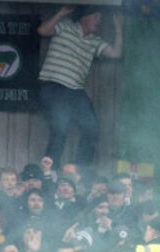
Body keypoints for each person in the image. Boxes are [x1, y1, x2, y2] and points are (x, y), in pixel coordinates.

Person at [37, 5, 123, 165]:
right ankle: (50, 171)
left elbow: (116, 54)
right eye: (96, 17)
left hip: (75, 91)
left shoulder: (95, 41)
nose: (99, 21)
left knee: (92, 128)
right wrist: (61, 13)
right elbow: (42, 30)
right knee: (60, 129)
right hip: (54, 87)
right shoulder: (66, 27)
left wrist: (118, 28)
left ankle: (80, 170)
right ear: (85, 18)